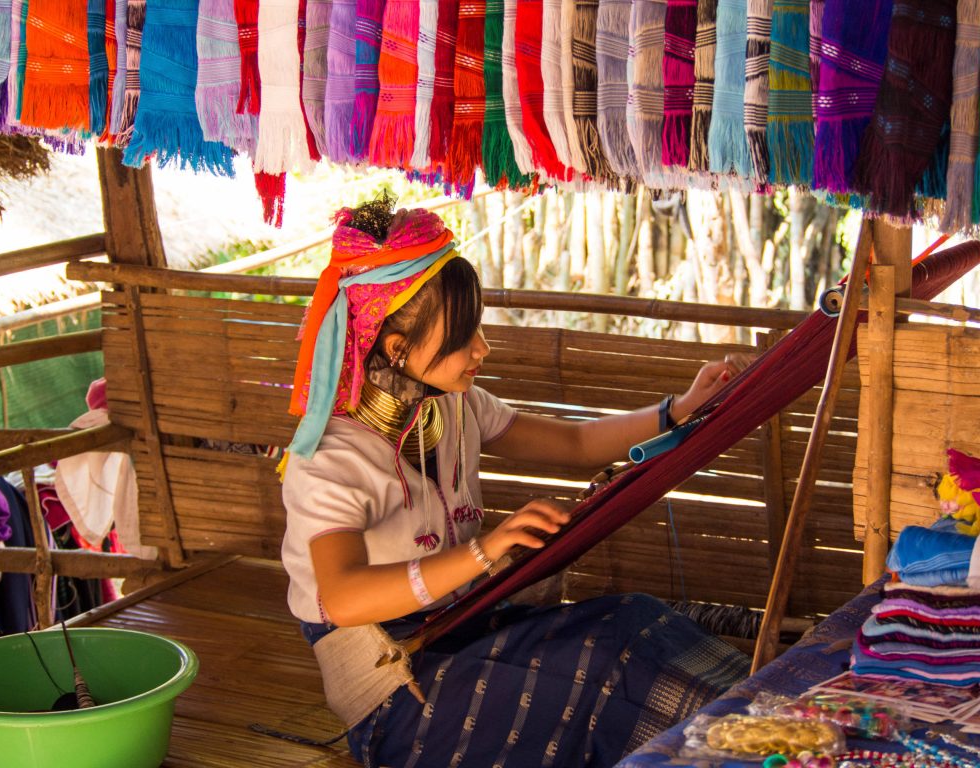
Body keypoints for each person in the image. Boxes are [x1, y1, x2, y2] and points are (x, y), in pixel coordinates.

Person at [280, 196, 750, 768]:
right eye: (461, 338)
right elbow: (343, 596)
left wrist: (678, 410)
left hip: (470, 632)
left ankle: (773, 728)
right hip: (400, 693)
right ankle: (747, 748)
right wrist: (485, 551)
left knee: (631, 618)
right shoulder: (332, 458)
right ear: (397, 349)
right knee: (606, 668)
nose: (482, 349)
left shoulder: (454, 408)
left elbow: (574, 444)